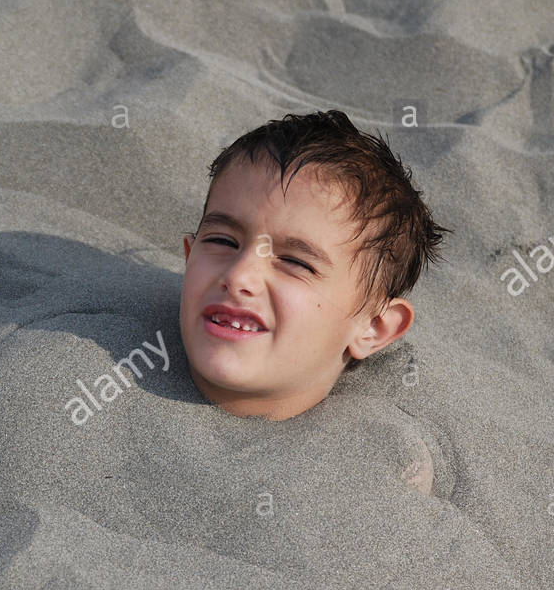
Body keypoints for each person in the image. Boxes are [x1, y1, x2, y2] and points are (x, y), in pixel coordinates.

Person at [178, 109, 450, 420]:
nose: (239, 276)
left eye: (295, 262)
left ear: (373, 327)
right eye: (223, 242)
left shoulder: (388, 460)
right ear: (189, 257)